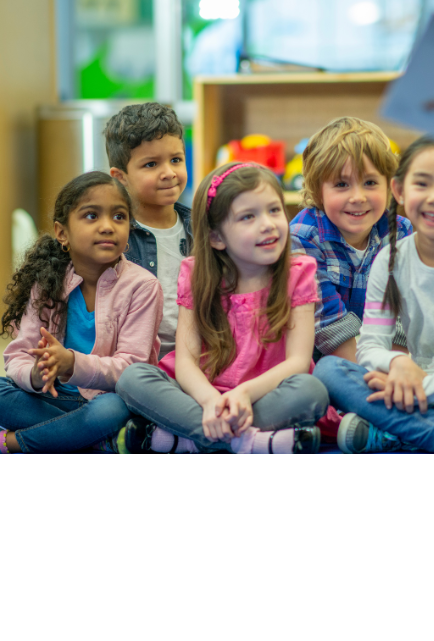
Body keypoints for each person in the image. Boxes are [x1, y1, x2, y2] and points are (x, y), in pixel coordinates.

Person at [116, 162, 328, 453]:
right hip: (202, 395)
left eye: (274, 210)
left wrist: (243, 393)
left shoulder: (298, 272)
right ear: (216, 237)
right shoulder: (196, 274)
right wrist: (210, 402)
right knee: (132, 379)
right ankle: (247, 442)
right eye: (247, 217)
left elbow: (298, 363)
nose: (267, 223)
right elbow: (186, 360)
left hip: (263, 394)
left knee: (311, 391)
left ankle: (189, 440)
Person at [315, 137, 434, 453]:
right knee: (328, 371)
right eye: (422, 183)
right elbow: (370, 346)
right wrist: (396, 364)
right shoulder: (390, 260)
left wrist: (424, 387)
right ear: (399, 191)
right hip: (406, 385)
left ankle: (396, 430)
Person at [0, 172, 163, 454]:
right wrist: (37, 375)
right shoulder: (48, 281)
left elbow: (131, 368)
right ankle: (98, 443)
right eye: (91, 216)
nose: (107, 226)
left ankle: (14, 443)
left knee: (112, 411)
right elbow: (17, 356)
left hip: (106, 400)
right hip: (52, 398)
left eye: (119, 217)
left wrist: (71, 364)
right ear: (62, 232)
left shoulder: (143, 286)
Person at [289, 116, 412, 362]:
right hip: (326, 358)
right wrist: (378, 372)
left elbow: (403, 312)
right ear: (317, 190)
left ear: (390, 187)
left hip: (388, 357)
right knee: (330, 372)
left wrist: (396, 369)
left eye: (370, 182)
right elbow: (328, 324)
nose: (358, 196)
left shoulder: (399, 231)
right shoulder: (303, 236)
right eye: (342, 184)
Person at [105, 102, 192, 360]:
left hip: (197, 359)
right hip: (137, 362)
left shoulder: (203, 227)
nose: (169, 173)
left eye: (176, 160)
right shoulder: (111, 236)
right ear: (120, 177)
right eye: (151, 164)